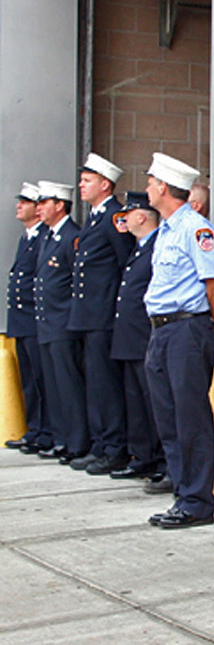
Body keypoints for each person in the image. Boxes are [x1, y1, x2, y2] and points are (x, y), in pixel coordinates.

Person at [143, 152, 214, 529]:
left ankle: (197, 501)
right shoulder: (164, 231)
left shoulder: (196, 229)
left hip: (186, 329)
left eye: (149, 182)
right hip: (161, 331)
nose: (146, 187)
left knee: (190, 417)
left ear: (163, 187)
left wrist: (211, 324)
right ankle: (183, 494)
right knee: (169, 418)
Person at [67, 153, 135, 475]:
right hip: (89, 316)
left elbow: (126, 265)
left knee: (106, 385)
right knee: (95, 383)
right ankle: (101, 443)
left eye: (87, 180)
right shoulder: (95, 218)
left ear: (105, 184)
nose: (81, 185)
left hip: (104, 316)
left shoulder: (114, 217)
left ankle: (114, 446)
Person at [109, 192, 166, 484]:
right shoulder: (140, 247)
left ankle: (158, 458)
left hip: (145, 336)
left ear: (142, 216)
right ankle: (142, 456)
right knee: (135, 402)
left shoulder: (157, 245)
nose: (124, 219)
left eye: (128, 214)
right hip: (130, 337)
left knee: (151, 401)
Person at [32, 181, 86, 464]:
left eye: (44, 202)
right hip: (48, 323)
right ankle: (61, 437)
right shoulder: (49, 236)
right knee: (54, 385)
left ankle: (75, 441)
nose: (39, 207)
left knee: (68, 385)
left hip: (63, 323)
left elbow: (76, 283)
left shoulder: (71, 237)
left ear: (60, 205)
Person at [4, 183, 49, 453]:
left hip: (35, 319)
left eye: (26, 202)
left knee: (43, 381)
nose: (19, 206)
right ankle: (35, 429)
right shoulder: (28, 238)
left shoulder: (43, 237)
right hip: (22, 320)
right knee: (29, 380)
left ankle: (46, 430)